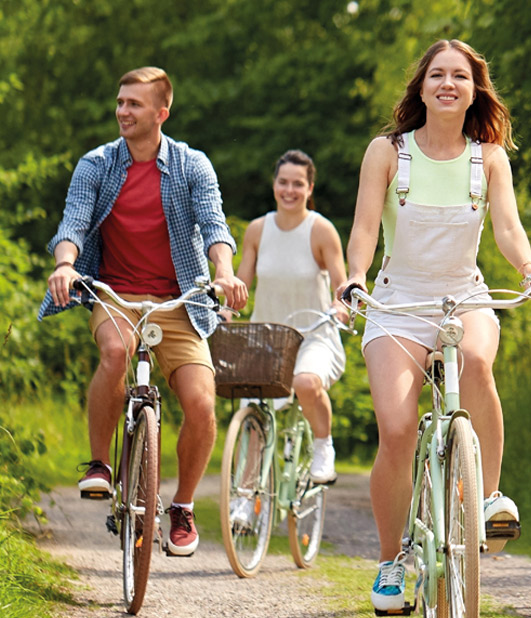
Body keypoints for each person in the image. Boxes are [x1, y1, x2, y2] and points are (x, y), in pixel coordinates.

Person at [337, 39, 531, 611]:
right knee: (397, 427)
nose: (448, 83)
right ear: (423, 86)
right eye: (437, 74)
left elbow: (507, 229)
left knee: (479, 362)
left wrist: (529, 270)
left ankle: (488, 499)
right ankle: (391, 564)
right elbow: (362, 230)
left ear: (474, 89)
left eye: (460, 75)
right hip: (397, 302)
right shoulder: (387, 152)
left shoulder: (489, 158)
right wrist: (354, 276)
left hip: (465, 297)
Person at [40, 66, 249, 557]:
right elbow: (73, 221)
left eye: (133, 104)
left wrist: (224, 271)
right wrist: (66, 265)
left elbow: (215, 227)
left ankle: (182, 507)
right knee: (116, 351)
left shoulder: (192, 164)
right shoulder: (96, 164)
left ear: (162, 113)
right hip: (114, 292)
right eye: (119, 102)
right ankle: (99, 465)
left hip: (180, 297)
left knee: (201, 402)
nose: (122, 112)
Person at [233, 149, 349, 487]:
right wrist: (226, 308)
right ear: (274, 185)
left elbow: (342, 287)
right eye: (283, 182)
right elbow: (242, 284)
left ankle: (323, 446)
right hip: (268, 338)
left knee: (306, 383)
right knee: (253, 412)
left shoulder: (321, 231)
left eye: (298, 184)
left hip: (313, 335)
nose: (289, 190)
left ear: (310, 188)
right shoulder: (257, 230)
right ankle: (244, 494)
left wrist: (340, 308)